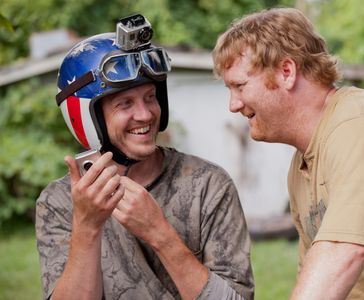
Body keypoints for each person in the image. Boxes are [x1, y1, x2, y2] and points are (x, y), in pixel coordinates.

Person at [212, 7, 364, 300]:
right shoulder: (303, 161)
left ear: (286, 72)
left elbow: (342, 251)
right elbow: (317, 274)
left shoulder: (361, 127)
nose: (233, 105)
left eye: (239, 86)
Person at [35, 16, 254, 300]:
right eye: (125, 103)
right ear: (88, 118)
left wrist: (159, 233)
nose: (146, 114)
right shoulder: (58, 202)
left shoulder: (208, 185)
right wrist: (87, 226)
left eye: (150, 97)